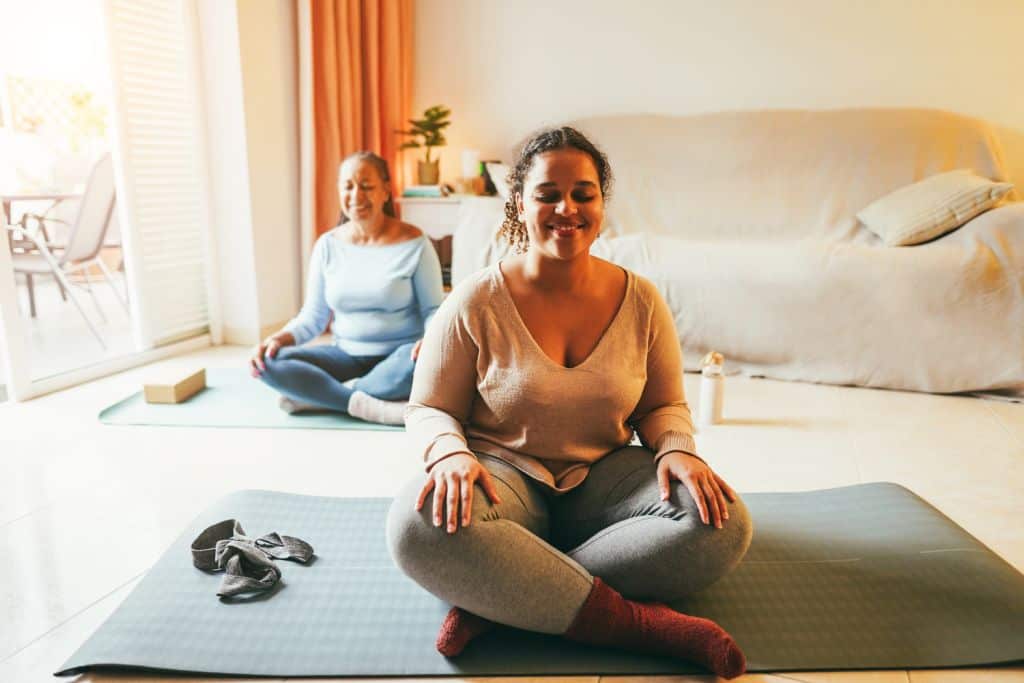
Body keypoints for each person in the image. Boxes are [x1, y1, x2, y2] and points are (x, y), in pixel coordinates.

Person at [386, 128, 753, 678]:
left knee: (722, 525)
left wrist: (679, 450)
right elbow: (428, 408)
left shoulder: (643, 300)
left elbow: (662, 406)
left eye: (584, 194)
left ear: (602, 203)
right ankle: (636, 623)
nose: (567, 208)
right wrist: (447, 453)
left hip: (606, 480)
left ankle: (507, 601)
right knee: (418, 529)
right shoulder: (475, 299)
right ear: (518, 203)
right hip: (501, 477)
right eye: (547, 193)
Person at [249, 151, 444, 425]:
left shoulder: (415, 243)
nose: (356, 195)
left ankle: (319, 395)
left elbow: (433, 309)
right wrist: (278, 339)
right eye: (348, 186)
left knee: (427, 365)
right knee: (269, 362)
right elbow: (313, 317)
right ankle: (370, 405)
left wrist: (431, 340)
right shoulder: (327, 245)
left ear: (386, 191)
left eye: (366, 186)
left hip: (400, 357)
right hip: (344, 355)